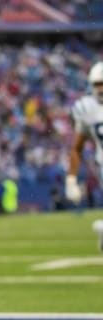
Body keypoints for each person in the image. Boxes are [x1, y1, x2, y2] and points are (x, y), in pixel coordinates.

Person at [65, 61, 103, 250]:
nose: (101, 88)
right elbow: (77, 147)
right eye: (98, 84)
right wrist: (71, 180)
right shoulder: (86, 108)